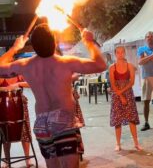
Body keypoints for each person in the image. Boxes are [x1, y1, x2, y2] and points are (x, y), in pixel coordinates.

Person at [0, 24, 106, 168]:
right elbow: (100, 65)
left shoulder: (25, 65)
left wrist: (15, 48)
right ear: (54, 42)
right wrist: (89, 42)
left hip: (42, 124)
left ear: (33, 45)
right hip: (63, 121)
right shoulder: (65, 62)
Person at [109, 46, 142, 151]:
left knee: (131, 118)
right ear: (115, 54)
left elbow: (131, 82)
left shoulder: (130, 66)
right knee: (117, 120)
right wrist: (120, 95)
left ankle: (136, 143)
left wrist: (121, 93)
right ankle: (118, 143)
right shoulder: (112, 67)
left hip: (127, 94)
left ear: (125, 53)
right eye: (118, 52)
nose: (120, 54)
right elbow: (113, 84)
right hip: (117, 95)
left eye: (122, 52)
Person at [0, 75, 33, 168]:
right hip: (4, 104)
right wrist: (7, 88)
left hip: (20, 104)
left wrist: (18, 84)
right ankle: (7, 159)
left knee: (25, 131)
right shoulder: (1, 73)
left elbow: (31, 83)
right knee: (6, 131)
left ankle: (27, 158)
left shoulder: (19, 73)